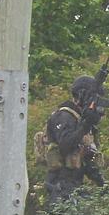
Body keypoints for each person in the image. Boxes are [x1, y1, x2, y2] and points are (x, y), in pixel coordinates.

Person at [44, 75, 105, 204]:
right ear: (81, 95)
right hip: (60, 187)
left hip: (76, 187)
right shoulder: (64, 116)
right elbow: (65, 145)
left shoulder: (82, 121)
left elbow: (86, 160)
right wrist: (85, 125)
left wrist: (102, 184)